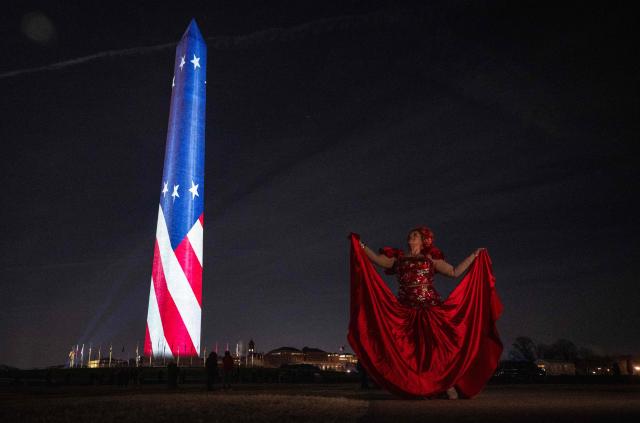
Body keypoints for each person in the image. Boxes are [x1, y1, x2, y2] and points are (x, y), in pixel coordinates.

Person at [348, 227, 503, 399]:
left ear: (423, 241)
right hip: (405, 310)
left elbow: (454, 272)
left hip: (430, 308)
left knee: (436, 350)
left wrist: (474, 256)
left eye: (415, 235)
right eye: (410, 235)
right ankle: (418, 387)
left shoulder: (431, 259)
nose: (411, 237)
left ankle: (447, 384)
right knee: (409, 352)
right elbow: (376, 259)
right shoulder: (398, 258)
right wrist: (360, 245)